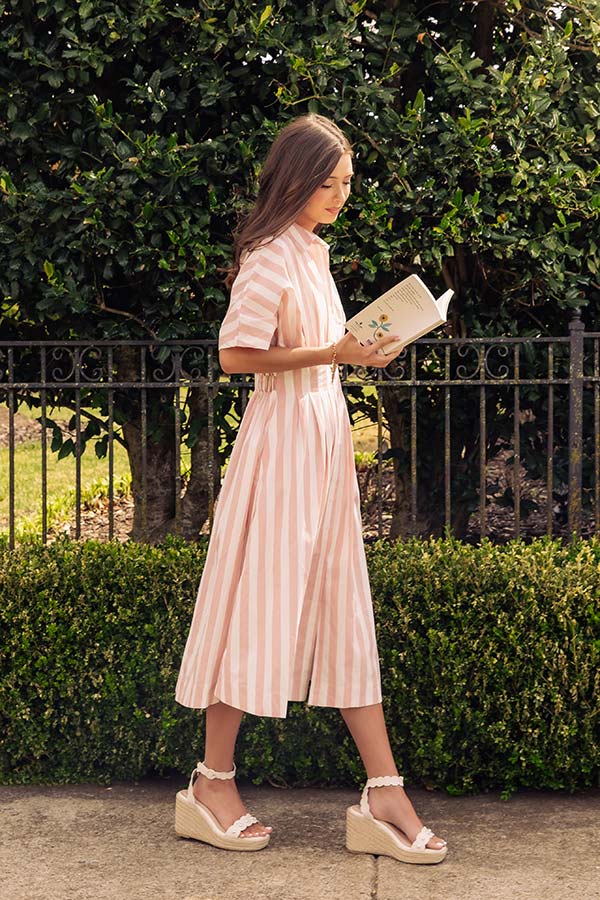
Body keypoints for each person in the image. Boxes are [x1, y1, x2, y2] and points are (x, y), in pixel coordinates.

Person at [173, 113, 447, 863]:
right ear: (294, 179)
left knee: (343, 608)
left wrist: (364, 352)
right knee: (258, 604)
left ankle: (383, 788)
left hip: (322, 444)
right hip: (281, 449)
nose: (340, 195)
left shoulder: (314, 255)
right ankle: (211, 780)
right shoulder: (268, 258)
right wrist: (335, 350)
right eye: (328, 183)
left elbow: (319, 354)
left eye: (347, 183)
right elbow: (235, 355)